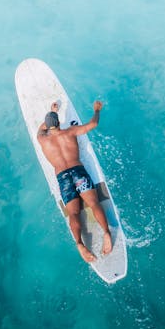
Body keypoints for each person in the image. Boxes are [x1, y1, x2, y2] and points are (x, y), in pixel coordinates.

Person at [37, 100, 112, 262]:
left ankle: (79, 243)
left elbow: (41, 128)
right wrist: (97, 110)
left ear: (49, 126)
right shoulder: (70, 132)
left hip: (63, 177)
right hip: (78, 171)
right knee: (94, 203)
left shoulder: (42, 139)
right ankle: (106, 232)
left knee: (73, 212)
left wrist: (51, 113)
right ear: (58, 124)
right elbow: (93, 124)